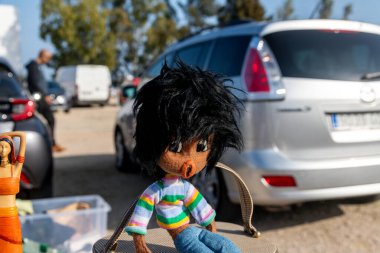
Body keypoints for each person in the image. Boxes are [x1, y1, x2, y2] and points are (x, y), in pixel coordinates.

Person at [124, 61, 242, 253]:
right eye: (175, 147)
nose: (189, 161)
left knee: (228, 247)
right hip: (181, 235)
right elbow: (142, 213)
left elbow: (197, 203)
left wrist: (209, 222)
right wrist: (139, 240)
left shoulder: (185, 188)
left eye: (202, 146)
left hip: (194, 229)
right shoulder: (157, 190)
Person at [25, 49, 65, 152]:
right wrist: (45, 95)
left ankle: (51, 143)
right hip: (39, 99)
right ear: (43, 56)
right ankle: (51, 144)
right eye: (48, 58)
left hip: (41, 97)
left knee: (48, 121)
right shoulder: (34, 67)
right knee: (50, 120)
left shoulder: (36, 67)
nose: (48, 61)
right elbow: (36, 83)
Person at [0, 132, 26, 253]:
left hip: (11, 218)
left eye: (5, 146)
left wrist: (5, 134)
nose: (2, 150)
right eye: (0, 146)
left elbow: (23, 136)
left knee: (13, 248)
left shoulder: (15, 168)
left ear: (11, 149)